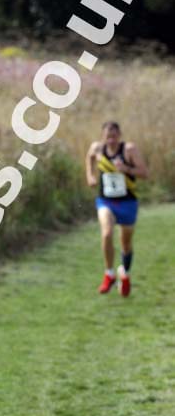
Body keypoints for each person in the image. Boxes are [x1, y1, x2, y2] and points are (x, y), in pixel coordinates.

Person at [85, 121, 148, 296]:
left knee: (126, 244)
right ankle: (109, 274)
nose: (111, 140)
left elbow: (144, 173)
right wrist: (90, 176)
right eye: (107, 137)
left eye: (114, 137)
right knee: (106, 233)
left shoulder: (129, 150)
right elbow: (89, 157)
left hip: (128, 202)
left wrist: (126, 168)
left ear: (119, 135)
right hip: (106, 201)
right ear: (102, 137)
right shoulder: (98, 149)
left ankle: (124, 274)